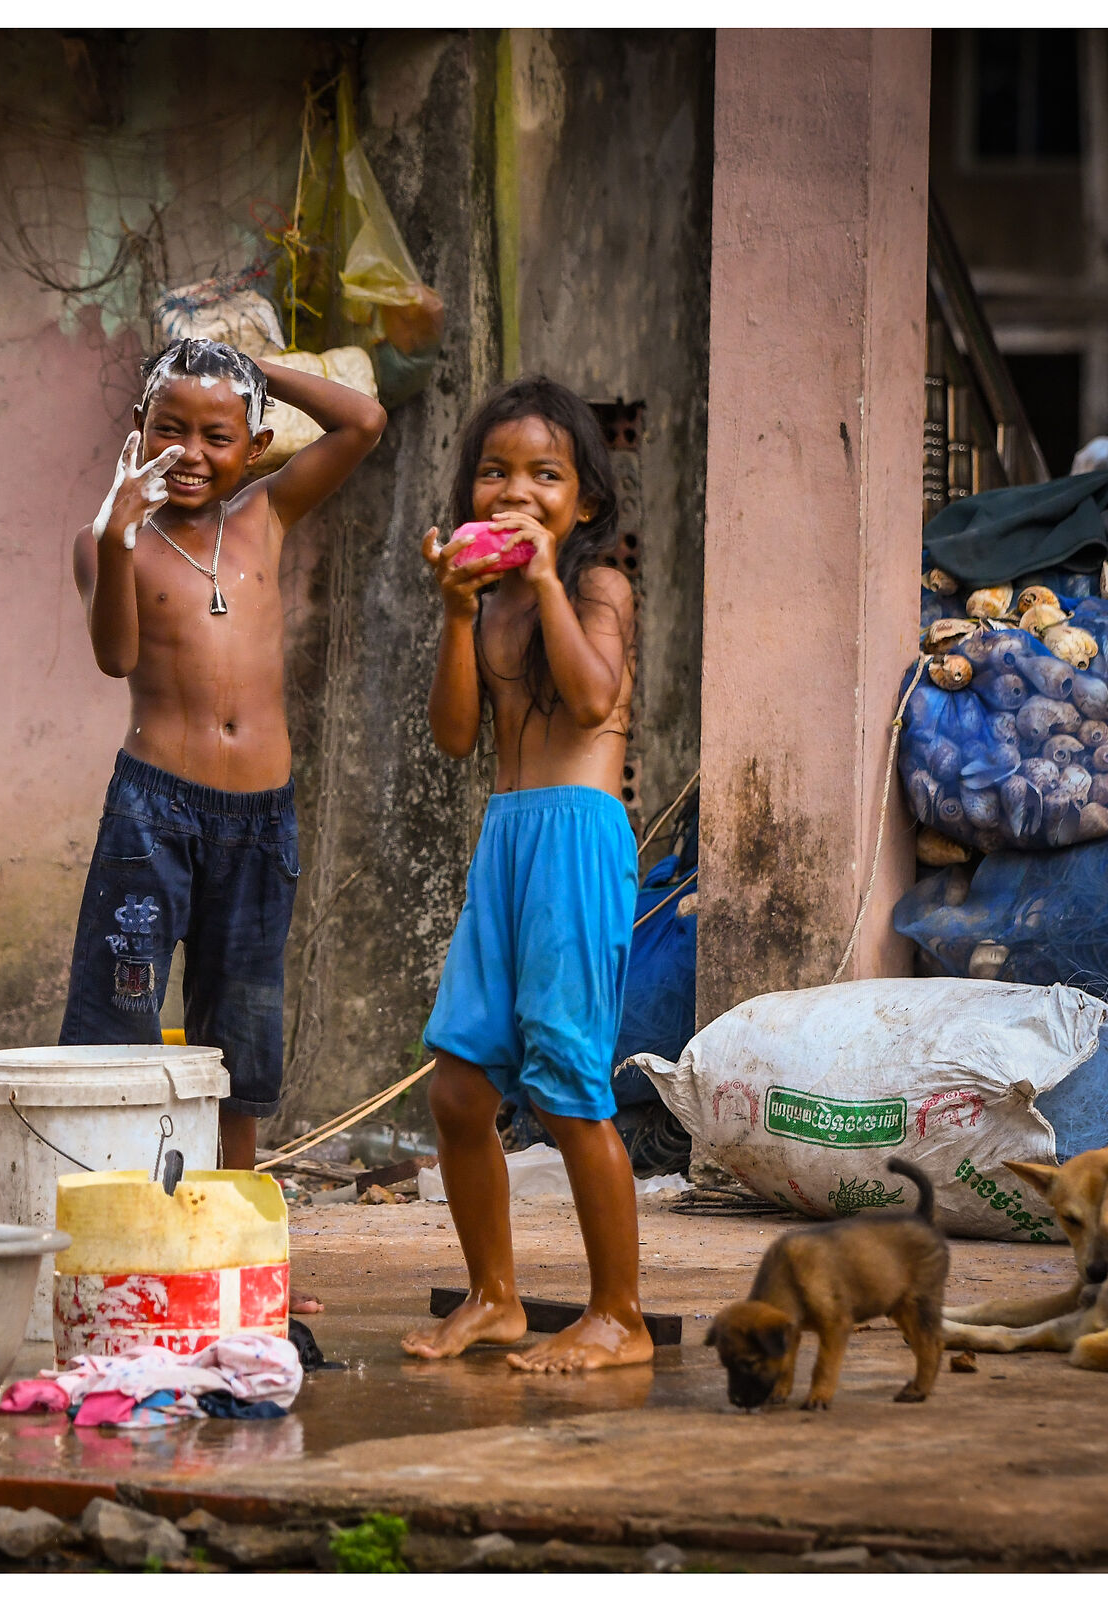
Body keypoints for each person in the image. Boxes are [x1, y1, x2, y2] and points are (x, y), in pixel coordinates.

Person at [61, 337, 385, 1241]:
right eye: (170, 429)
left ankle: (234, 1249)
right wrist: (118, 536)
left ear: (256, 445)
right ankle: (124, 1239)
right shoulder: (105, 541)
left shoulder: (266, 513)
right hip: (153, 814)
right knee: (119, 1016)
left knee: (242, 1035)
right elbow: (115, 655)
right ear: (138, 430)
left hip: (259, 819)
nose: (192, 453)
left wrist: (255, 365)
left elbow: (364, 420)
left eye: (218, 435)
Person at [400, 375, 652, 1373]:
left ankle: (620, 1315)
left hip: (577, 841)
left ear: (582, 502)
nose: (515, 490)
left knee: (568, 1086)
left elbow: (590, 702)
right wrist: (454, 610)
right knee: (460, 1088)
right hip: (505, 838)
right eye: (494, 472)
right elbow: (455, 734)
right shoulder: (483, 603)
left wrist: (546, 579)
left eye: (545, 474)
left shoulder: (598, 589)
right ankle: (494, 1296)